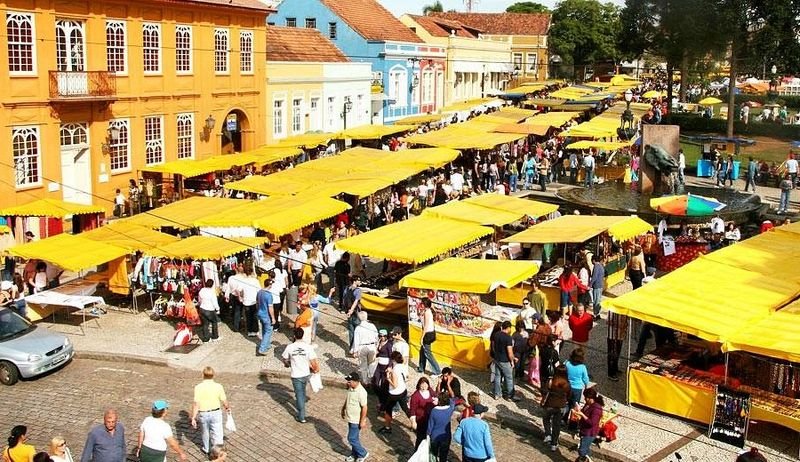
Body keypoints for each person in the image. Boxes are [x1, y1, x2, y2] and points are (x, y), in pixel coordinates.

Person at [281, 328, 319, 423]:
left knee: (299, 395)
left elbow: (284, 358)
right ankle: (301, 408)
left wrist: (287, 364)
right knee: (302, 392)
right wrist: (315, 370)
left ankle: (301, 416)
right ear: (302, 335)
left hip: (296, 375)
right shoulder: (308, 347)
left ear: (294, 336)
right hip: (306, 374)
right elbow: (313, 361)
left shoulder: (290, 347)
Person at [190, 367, 230, 455]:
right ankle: (218, 451)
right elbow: (224, 400)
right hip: (216, 413)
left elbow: (196, 403)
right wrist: (227, 407)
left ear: (203, 375)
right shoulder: (218, 386)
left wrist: (193, 417)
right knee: (218, 433)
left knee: (205, 432)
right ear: (213, 375)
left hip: (203, 413)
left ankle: (206, 449)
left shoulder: (198, 387)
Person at [378, 351, 411, 434]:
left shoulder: (395, 369)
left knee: (388, 410)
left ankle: (387, 427)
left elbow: (394, 385)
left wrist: (389, 378)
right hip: (403, 390)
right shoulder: (403, 366)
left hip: (394, 393)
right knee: (406, 409)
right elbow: (407, 377)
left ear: (393, 360)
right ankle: (415, 424)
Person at [342, 372, 369, 462]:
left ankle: (363, 453)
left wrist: (362, 420)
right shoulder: (351, 388)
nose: (348, 383)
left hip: (356, 420)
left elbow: (364, 407)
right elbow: (348, 398)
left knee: (351, 438)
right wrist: (343, 408)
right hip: (350, 418)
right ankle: (354, 454)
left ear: (356, 381)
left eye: (350, 381)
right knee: (355, 438)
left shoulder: (361, 392)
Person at [541, 365, 569, 452]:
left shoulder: (551, 381)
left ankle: (548, 434)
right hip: (560, 406)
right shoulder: (567, 384)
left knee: (546, 418)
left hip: (550, 404)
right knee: (556, 426)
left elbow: (544, 391)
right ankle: (554, 444)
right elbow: (569, 395)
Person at [573, 388, 604, 462]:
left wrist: (582, 415)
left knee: (582, 450)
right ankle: (588, 458)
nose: (584, 399)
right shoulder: (588, 404)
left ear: (590, 398)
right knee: (585, 447)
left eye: (585, 397)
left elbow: (592, 423)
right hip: (584, 429)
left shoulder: (597, 409)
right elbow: (584, 412)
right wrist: (579, 410)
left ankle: (585, 459)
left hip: (590, 432)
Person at [491, 320, 519, 401]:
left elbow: (493, 347)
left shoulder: (496, 335)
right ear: (509, 328)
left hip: (497, 359)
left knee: (497, 376)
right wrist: (512, 361)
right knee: (509, 378)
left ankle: (497, 394)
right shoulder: (508, 338)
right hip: (505, 361)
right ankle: (510, 396)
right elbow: (510, 352)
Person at [427, 391, 457, 462]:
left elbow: (430, 425)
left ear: (439, 401)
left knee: (434, 454)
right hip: (446, 436)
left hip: (434, 436)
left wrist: (427, 434)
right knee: (444, 455)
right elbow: (452, 402)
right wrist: (446, 397)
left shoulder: (434, 411)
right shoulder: (450, 409)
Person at [350, 311, 378, 385]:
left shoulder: (358, 328)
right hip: (371, 346)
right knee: (372, 364)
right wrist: (376, 346)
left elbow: (356, 341)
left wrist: (355, 351)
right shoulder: (372, 326)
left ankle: (366, 381)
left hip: (362, 347)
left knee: (363, 365)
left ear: (359, 318)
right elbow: (376, 337)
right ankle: (373, 379)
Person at [409, 377, 435, 450]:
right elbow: (412, 410)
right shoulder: (415, 396)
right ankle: (417, 452)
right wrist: (413, 422)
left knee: (429, 437)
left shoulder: (430, 391)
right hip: (421, 420)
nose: (424, 387)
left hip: (430, 419)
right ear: (419, 385)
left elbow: (435, 396)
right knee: (420, 438)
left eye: (425, 385)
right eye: (422, 385)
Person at [417, 298, 441, 375]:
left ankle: (437, 371)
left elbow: (426, 326)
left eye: (422, 303)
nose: (421, 304)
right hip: (430, 333)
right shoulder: (426, 311)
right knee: (422, 351)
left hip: (428, 334)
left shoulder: (427, 312)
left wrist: (422, 337)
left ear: (425, 305)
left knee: (427, 353)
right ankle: (421, 368)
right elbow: (420, 316)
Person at [238, 265, 260, 338]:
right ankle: (255, 330)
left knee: (248, 317)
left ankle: (250, 331)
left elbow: (239, 290)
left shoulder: (243, 281)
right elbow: (259, 290)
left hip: (246, 301)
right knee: (254, 316)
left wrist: (240, 297)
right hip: (254, 301)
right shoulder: (255, 281)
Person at [607, 310, 628, 382]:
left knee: (617, 353)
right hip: (612, 336)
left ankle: (615, 368)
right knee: (612, 355)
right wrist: (618, 325)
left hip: (620, 336)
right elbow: (608, 321)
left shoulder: (625, 310)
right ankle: (611, 373)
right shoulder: (612, 310)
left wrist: (625, 324)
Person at [343, 275, 363, 351]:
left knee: (351, 331)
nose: (360, 282)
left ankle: (351, 348)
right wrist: (351, 310)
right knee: (358, 331)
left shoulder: (346, 289)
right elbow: (356, 301)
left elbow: (344, 299)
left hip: (348, 312)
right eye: (359, 280)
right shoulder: (358, 290)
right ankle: (356, 349)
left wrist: (348, 311)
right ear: (355, 281)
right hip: (355, 313)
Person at [256, 278, 274, 355]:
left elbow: (257, 302)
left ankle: (267, 344)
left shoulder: (259, 292)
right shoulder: (269, 295)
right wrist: (273, 318)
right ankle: (262, 349)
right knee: (268, 331)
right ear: (269, 285)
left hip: (260, 313)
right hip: (266, 315)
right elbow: (270, 308)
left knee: (264, 329)